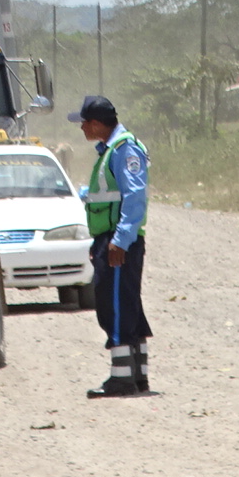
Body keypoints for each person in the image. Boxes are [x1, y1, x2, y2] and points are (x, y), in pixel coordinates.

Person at [70, 95, 152, 398]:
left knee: (114, 307)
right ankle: (137, 376)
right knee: (127, 305)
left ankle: (121, 380)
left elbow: (134, 197)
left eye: (83, 123)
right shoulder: (110, 151)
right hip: (113, 238)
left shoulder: (123, 149)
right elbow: (111, 193)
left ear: (95, 123)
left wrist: (120, 240)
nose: (81, 128)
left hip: (118, 241)